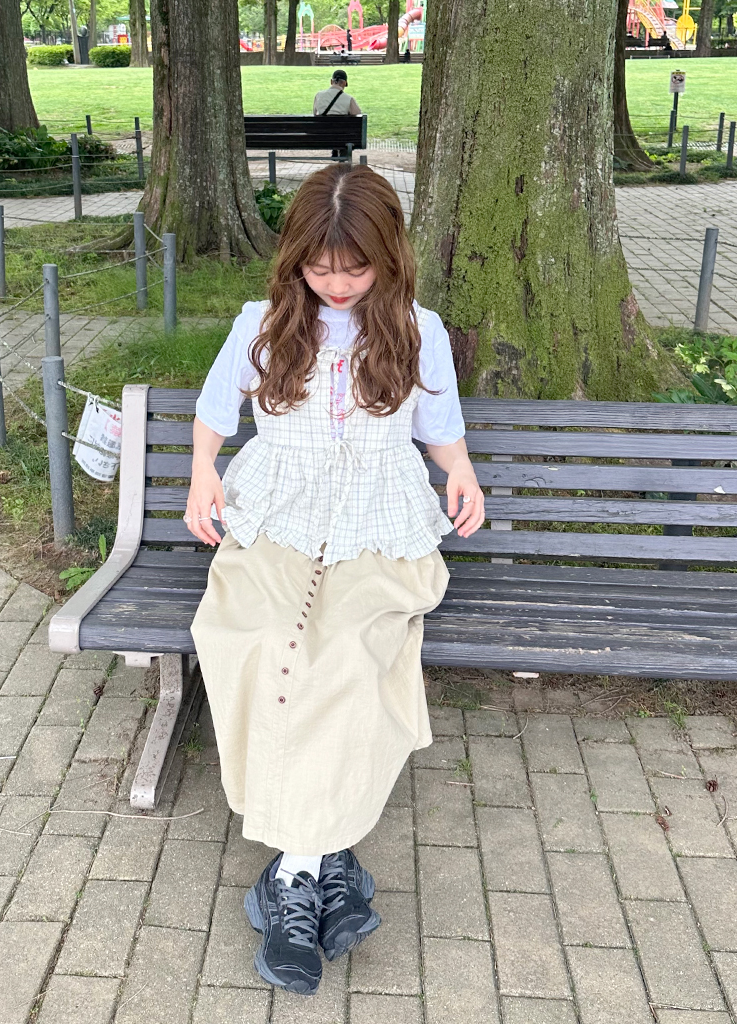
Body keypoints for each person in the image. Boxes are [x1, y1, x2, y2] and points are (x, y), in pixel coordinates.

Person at [186, 164, 485, 996]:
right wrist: (204, 472)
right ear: (296, 259)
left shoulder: (418, 330)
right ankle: (328, 865)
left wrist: (460, 472)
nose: (339, 284)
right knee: (260, 644)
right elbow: (214, 413)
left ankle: (292, 877)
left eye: (356, 268)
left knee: (350, 658)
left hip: (377, 529)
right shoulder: (262, 324)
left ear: (389, 257)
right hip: (278, 519)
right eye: (321, 268)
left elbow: (440, 428)